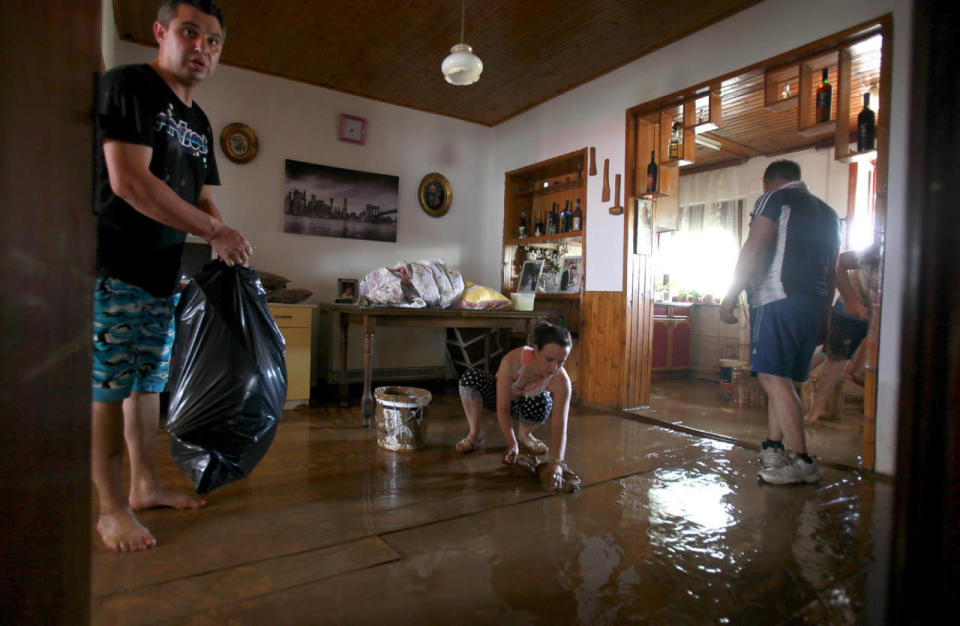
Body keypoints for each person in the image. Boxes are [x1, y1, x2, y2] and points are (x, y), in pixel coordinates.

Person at [92, 0, 253, 552]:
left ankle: (144, 484)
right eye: (190, 33)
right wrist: (213, 230)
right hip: (115, 267)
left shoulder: (199, 122)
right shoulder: (130, 85)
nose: (202, 48)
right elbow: (128, 180)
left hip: (164, 276)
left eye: (213, 41)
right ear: (161, 33)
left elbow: (201, 193)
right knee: (109, 389)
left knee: (146, 385)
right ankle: (109, 509)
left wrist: (224, 236)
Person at [719, 160, 840, 485]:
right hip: (813, 303)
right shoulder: (829, 214)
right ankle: (774, 448)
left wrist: (730, 295)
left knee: (773, 378)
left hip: (778, 298)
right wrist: (826, 318)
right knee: (784, 379)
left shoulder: (773, 199)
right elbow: (832, 272)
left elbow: (753, 248)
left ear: (766, 183)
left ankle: (801, 461)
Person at [456, 322, 573, 490]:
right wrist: (511, 444)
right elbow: (502, 409)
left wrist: (557, 463)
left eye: (561, 362)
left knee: (543, 401)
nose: (554, 367)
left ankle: (525, 434)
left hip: (527, 407)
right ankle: (475, 433)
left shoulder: (561, 381)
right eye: (549, 359)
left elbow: (559, 425)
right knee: (469, 379)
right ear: (536, 350)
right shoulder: (512, 361)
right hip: (502, 398)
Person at [805, 243, 880, 423]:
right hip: (853, 306)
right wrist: (851, 300)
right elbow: (838, 262)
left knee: (866, 369)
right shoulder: (875, 252)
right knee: (834, 357)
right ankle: (817, 408)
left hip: (882, 314)